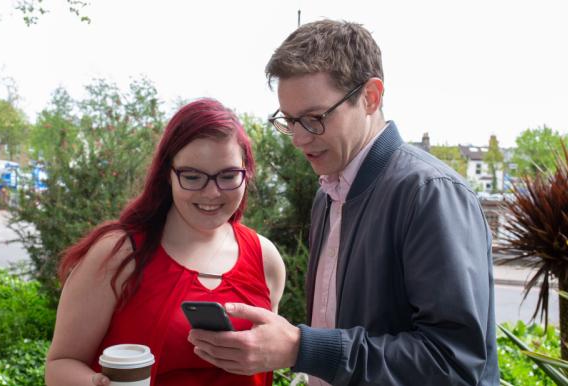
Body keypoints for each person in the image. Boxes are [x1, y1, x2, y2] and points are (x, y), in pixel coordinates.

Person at [188, 20, 499, 385]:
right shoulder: (328, 195)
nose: (299, 138)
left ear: (370, 97)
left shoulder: (429, 193)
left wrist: (302, 348)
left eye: (315, 118)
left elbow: (453, 364)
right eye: (290, 120)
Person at [45, 98, 286, 386]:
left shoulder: (266, 258)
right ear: (167, 175)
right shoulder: (118, 254)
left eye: (228, 175)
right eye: (193, 176)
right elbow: (60, 365)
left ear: (246, 173)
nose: (212, 193)